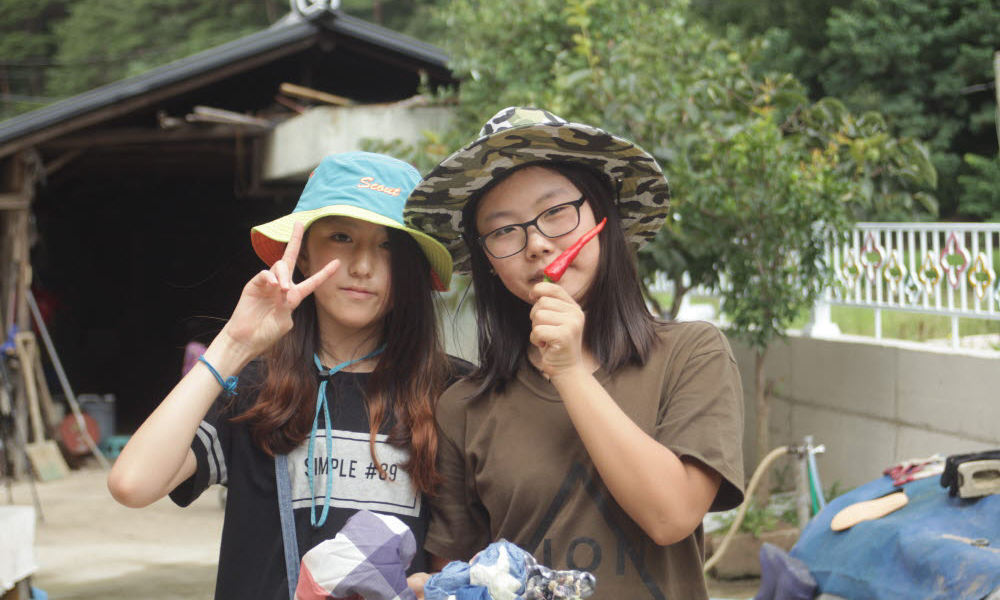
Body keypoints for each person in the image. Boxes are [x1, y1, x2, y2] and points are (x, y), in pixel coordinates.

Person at [403, 107, 745, 599]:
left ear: (603, 218)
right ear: (488, 263)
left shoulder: (691, 353)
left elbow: (671, 516)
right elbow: (460, 580)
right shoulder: (463, 407)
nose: (537, 244)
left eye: (556, 212)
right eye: (503, 230)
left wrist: (569, 369)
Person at [108, 151, 467, 599]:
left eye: (388, 244)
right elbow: (132, 484)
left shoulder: (452, 393)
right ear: (303, 255)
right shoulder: (255, 390)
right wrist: (234, 345)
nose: (362, 265)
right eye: (341, 237)